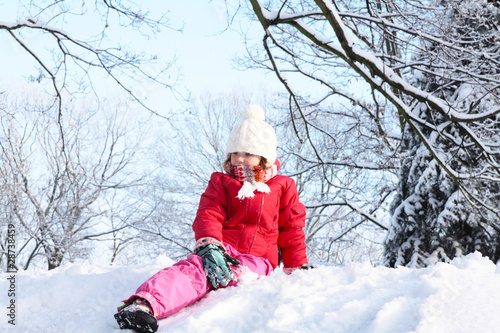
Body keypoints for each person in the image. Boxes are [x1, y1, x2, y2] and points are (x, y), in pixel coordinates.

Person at [114, 104, 310, 333]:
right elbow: (209, 213)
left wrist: (297, 267)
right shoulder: (221, 181)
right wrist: (210, 246)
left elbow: (292, 227)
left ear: (264, 157)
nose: (239, 159)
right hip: (221, 249)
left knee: (242, 274)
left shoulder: (282, 186)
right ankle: (143, 306)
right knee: (194, 269)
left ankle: (223, 279)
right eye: (235, 153)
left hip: (257, 259)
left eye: (247, 153)